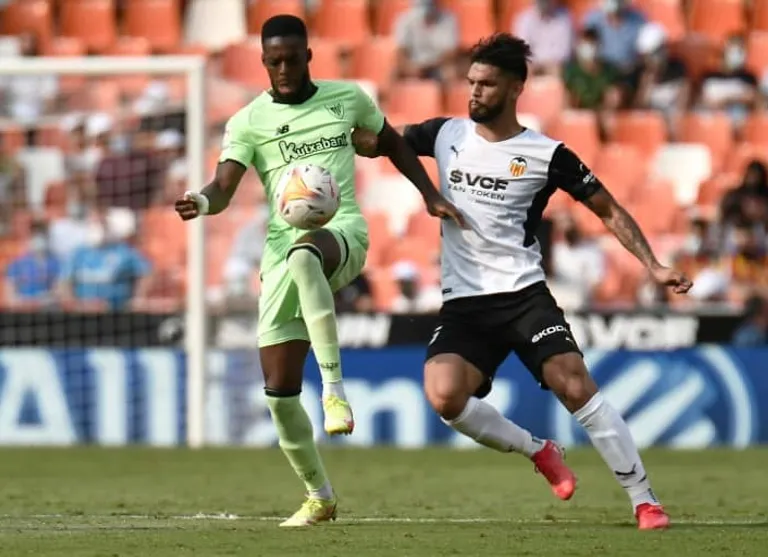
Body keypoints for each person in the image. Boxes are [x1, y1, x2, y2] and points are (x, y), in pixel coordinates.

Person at [353, 33, 693, 530]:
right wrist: (349, 131)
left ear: (515, 88)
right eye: (471, 82)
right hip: (465, 303)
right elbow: (381, 141)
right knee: (444, 396)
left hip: (523, 296)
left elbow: (608, 209)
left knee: (573, 384)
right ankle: (539, 451)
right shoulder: (445, 133)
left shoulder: (546, 154)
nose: (474, 92)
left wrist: (653, 265)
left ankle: (645, 500)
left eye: (487, 84)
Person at [174, 15, 464, 527]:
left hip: (341, 233)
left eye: (292, 59)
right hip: (280, 254)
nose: (284, 69)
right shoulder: (247, 122)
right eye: (274, 62)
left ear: (308, 56)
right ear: (264, 63)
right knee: (279, 391)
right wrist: (200, 200)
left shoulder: (346, 98)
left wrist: (430, 195)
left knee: (306, 254)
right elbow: (223, 187)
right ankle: (319, 496)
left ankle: (334, 390)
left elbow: (394, 142)